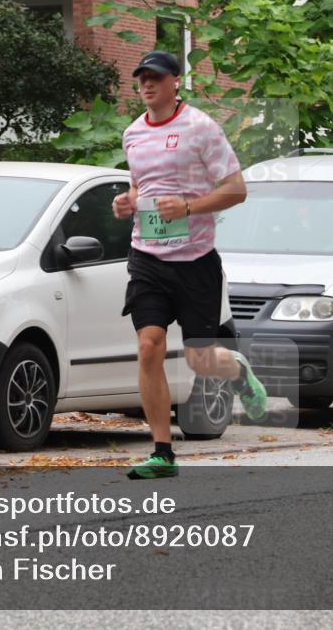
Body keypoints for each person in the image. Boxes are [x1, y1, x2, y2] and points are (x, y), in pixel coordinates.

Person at [112, 50, 267, 480]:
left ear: (175, 81)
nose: (147, 84)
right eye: (142, 77)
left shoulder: (201, 128)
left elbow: (236, 189)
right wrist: (128, 202)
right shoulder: (132, 134)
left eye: (156, 77)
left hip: (195, 260)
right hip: (147, 258)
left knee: (200, 360)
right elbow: (140, 186)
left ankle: (238, 370)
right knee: (149, 347)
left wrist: (188, 207)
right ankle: (162, 453)